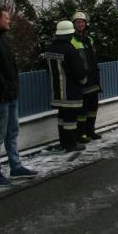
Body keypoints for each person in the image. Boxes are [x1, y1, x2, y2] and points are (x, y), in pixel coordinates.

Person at [0, 7, 37, 186]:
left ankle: (15, 167)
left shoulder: (1, 39)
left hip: (9, 95)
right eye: (6, 18)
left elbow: (9, 67)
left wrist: (12, 90)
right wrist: (4, 90)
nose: (9, 21)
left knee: (12, 132)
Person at [45, 20, 88, 152]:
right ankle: (71, 144)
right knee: (70, 118)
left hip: (57, 92)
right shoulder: (70, 50)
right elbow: (79, 72)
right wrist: (83, 81)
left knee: (62, 116)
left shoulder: (50, 49)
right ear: (69, 34)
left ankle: (63, 143)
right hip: (70, 91)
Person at [70, 12, 103, 143]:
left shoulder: (89, 40)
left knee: (93, 108)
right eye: (78, 22)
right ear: (74, 24)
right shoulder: (71, 40)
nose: (80, 24)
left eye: (82, 22)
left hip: (93, 78)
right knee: (82, 110)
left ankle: (90, 131)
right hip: (82, 80)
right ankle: (81, 134)